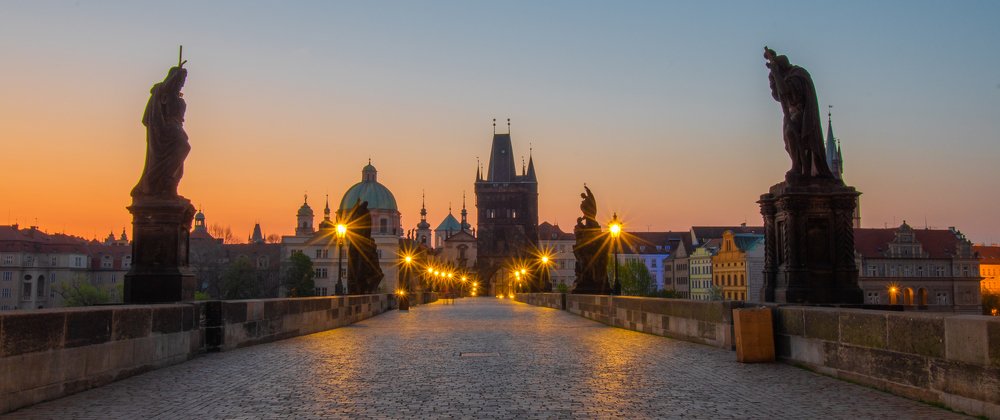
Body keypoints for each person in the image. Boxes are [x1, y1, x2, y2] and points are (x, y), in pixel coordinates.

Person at [765, 47, 833, 181]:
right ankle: (800, 166)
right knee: (788, 140)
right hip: (791, 113)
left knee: (791, 133)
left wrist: (775, 71)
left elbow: (784, 91)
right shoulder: (786, 76)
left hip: (802, 113)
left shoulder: (797, 75)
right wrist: (773, 74)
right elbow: (778, 95)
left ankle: (797, 167)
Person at [132, 66, 190, 198]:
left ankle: (170, 184)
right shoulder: (163, 92)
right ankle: (160, 180)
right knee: (184, 147)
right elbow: (165, 87)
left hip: (178, 126)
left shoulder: (176, 96)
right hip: (167, 128)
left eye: (184, 80)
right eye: (181, 79)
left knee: (180, 157)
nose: (183, 83)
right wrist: (177, 73)